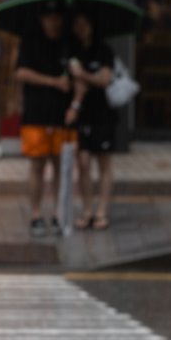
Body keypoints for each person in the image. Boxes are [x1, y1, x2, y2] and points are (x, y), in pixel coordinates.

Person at [14, 2, 77, 238]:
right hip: (36, 113)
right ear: (41, 19)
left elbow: (75, 74)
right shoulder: (30, 41)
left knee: (60, 165)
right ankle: (35, 213)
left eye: (57, 16)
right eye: (48, 17)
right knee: (37, 165)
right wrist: (52, 82)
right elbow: (20, 73)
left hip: (62, 115)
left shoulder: (68, 43)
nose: (53, 21)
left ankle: (59, 212)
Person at [69, 12, 115, 230]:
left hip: (103, 113)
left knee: (104, 162)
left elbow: (104, 79)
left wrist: (83, 75)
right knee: (83, 161)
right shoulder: (74, 52)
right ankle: (87, 209)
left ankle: (102, 210)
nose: (81, 28)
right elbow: (75, 86)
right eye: (78, 24)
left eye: (85, 23)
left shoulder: (104, 50)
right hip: (84, 114)